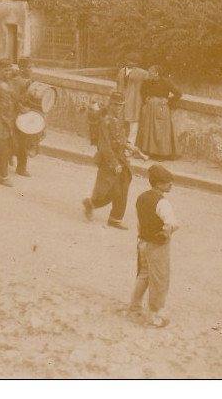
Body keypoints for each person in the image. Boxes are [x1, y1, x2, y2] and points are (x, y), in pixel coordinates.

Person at [83, 91, 146, 229]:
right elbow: (104, 145)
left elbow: (120, 139)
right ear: (110, 104)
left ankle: (115, 218)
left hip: (121, 158)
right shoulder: (105, 121)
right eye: (116, 105)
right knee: (106, 189)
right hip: (109, 160)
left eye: (121, 105)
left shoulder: (118, 120)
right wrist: (114, 163)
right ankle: (92, 203)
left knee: (123, 187)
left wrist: (131, 147)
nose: (118, 108)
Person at [128, 164, 179, 328]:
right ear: (158, 184)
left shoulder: (141, 197)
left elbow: (139, 222)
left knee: (143, 274)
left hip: (142, 241)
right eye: (167, 182)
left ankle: (135, 305)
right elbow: (172, 223)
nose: (170, 184)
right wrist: (166, 232)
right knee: (159, 278)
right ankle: (154, 314)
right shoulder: (162, 202)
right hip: (157, 245)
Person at [135, 66, 182, 160]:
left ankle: (161, 154)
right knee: (147, 130)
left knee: (159, 131)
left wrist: (168, 101)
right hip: (149, 109)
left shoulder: (166, 82)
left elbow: (178, 93)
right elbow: (142, 91)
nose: (149, 74)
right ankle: (147, 151)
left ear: (157, 73)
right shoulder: (147, 82)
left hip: (160, 109)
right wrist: (146, 98)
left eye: (151, 72)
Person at [117, 53, 150, 147]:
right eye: (128, 60)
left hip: (135, 100)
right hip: (122, 98)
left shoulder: (141, 72)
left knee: (133, 123)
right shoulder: (121, 71)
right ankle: (120, 143)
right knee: (120, 121)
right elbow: (118, 84)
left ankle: (130, 145)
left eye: (133, 61)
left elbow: (151, 82)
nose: (130, 63)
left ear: (137, 63)